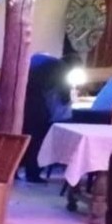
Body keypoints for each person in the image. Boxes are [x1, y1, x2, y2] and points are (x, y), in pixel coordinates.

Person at [21, 53, 79, 183]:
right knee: (39, 143)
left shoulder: (47, 65)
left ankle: (21, 171)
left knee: (30, 140)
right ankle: (34, 173)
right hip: (43, 111)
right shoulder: (61, 71)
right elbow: (63, 101)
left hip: (28, 105)